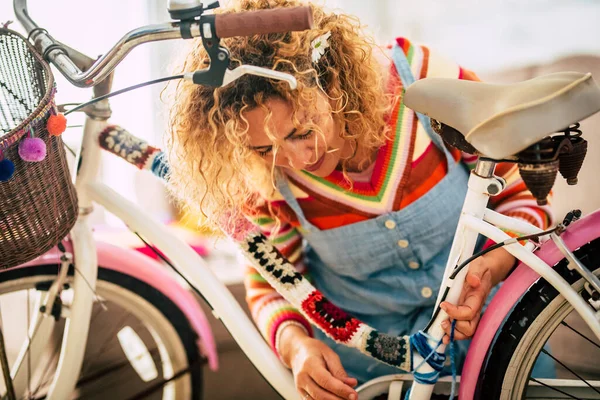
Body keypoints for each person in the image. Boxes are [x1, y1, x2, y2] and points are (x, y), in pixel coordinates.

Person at [167, 1, 553, 399]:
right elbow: (272, 284)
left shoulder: (419, 78)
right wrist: (298, 348)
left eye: (302, 131)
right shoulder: (261, 181)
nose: (298, 160)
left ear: (332, 84)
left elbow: (521, 187)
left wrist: (495, 263)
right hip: (366, 376)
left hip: (504, 346)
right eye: (265, 148)